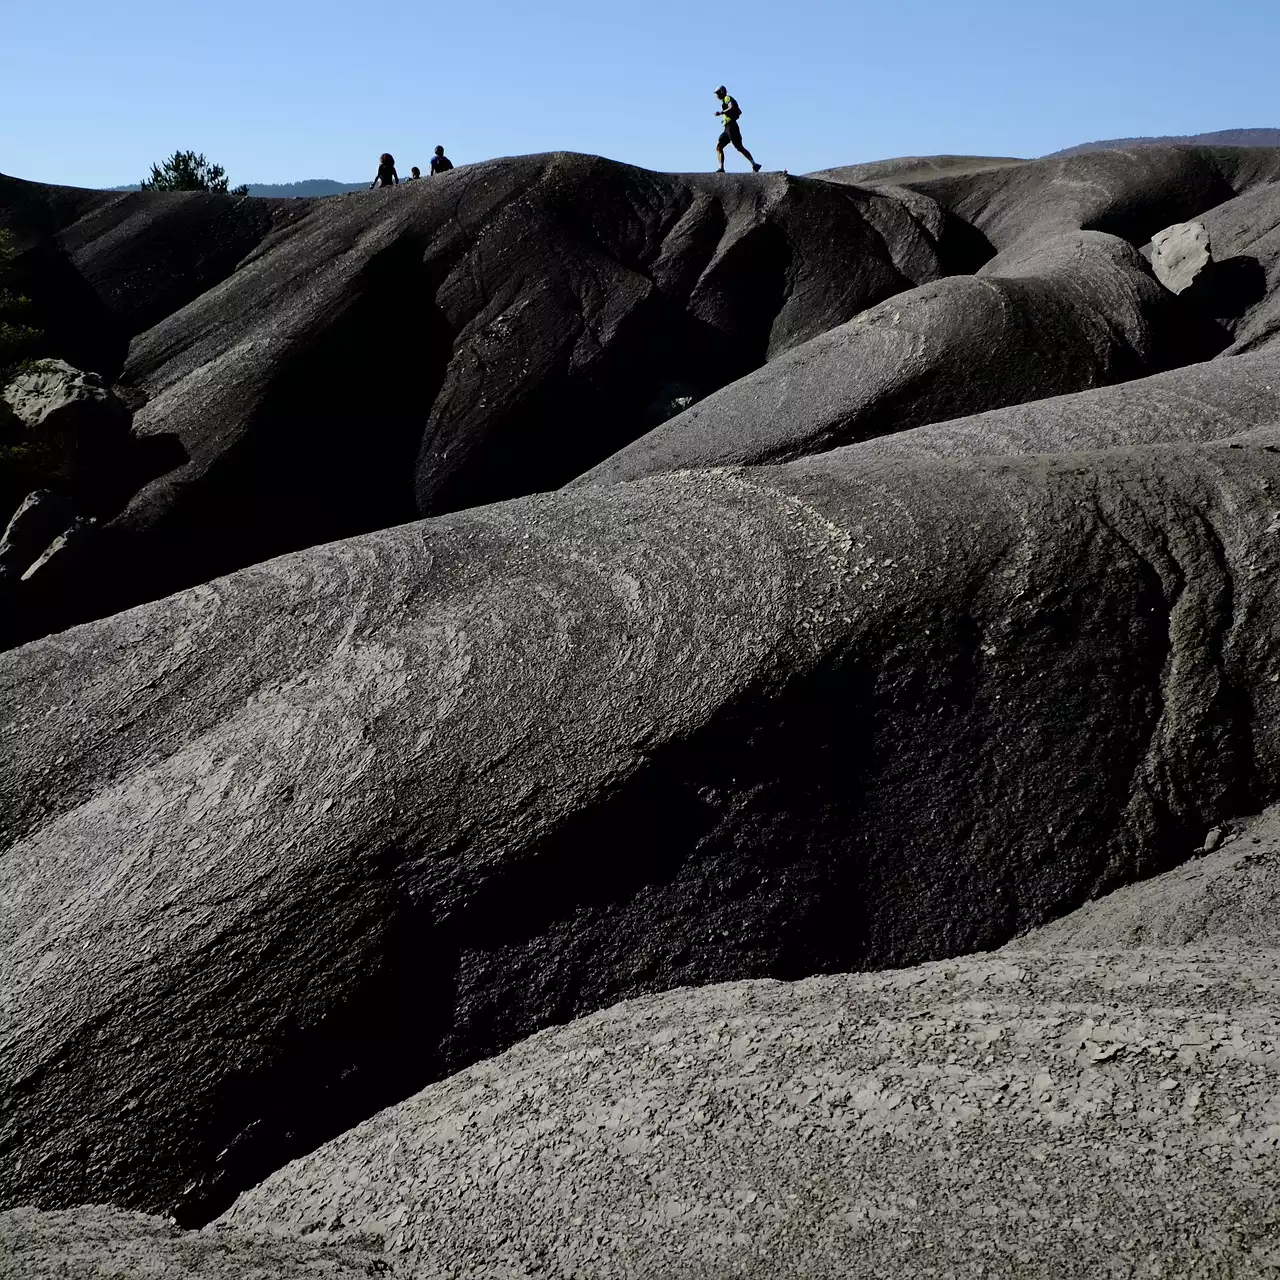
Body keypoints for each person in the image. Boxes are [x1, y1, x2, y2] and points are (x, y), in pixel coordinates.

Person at [713, 86, 761, 173]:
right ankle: (721, 168)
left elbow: (731, 107)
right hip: (727, 128)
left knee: (739, 147)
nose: (716, 96)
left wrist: (722, 112)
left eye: (717, 93)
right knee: (719, 147)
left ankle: (754, 164)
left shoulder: (727, 98)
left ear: (721, 92)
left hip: (732, 127)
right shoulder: (724, 101)